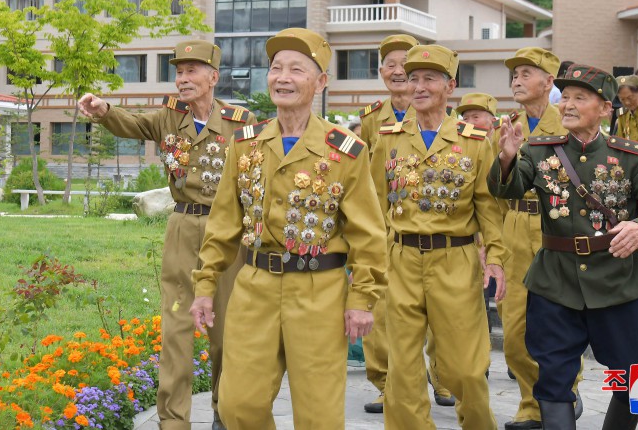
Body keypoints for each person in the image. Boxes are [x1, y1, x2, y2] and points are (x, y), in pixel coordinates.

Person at [189, 28, 387, 430]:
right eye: (276, 68)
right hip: (255, 286)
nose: (283, 77)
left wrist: (362, 298)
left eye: (297, 69)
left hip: (319, 292)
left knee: (318, 416)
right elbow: (224, 222)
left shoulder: (344, 150)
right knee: (236, 405)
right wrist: (206, 285)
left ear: (320, 82)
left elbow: (368, 233)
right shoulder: (245, 144)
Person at [78, 39, 256, 430]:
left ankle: (225, 413)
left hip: (226, 230)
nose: (183, 79)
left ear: (213, 77)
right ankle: (173, 420)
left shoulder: (241, 123)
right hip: (181, 225)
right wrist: (103, 109)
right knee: (176, 327)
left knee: (225, 327)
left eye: (192, 71)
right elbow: (135, 123)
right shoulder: (169, 117)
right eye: (178, 72)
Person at [490, 64, 638, 429]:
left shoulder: (632, 156)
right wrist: (507, 158)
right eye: (566, 98)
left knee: (635, 377)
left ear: (605, 108)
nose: (568, 105)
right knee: (553, 378)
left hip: (619, 283)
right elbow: (507, 189)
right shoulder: (540, 150)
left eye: (581, 98)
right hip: (555, 283)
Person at [369, 44, 506, 430]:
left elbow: (488, 208)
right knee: (403, 368)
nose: (419, 86)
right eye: (413, 78)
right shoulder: (389, 138)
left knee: (464, 367)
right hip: (400, 260)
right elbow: (374, 207)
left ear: (451, 86)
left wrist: (494, 257)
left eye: (430, 78)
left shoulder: (475, 141)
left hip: (455, 260)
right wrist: (369, 263)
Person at [358, 33, 455, 414]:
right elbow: (364, 179)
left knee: (436, 312)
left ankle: (443, 377)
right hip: (384, 228)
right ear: (381, 72)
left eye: (406, 65)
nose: (399, 72)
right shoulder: (371, 120)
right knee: (380, 309)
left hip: (434, 227)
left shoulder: (443, 117)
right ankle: (386, 384)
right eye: (391, 65)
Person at [497, 47, 582, 430]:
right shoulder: (507, 126)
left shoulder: (569, 124)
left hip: (557, 230)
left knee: (560, 322)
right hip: (515, 229)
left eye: (526, 73)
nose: (517, 79)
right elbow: (494, 191)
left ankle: (555, 396)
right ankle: (534, 398)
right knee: (513, 332)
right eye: (514, 73)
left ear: (548, 82)